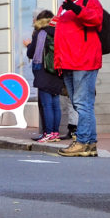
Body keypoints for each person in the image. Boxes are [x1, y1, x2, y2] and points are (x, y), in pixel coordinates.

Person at [53, 0, 104, 158]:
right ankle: (90, 143)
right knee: (81, 104)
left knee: (82, 104)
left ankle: (82, 141)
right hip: (68, 63)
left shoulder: (90, 2)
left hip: (83, 61)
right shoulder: (65, 7)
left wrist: (75, 8)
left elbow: (95, 19)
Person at [27, 10, 65, 142]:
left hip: (43, 71)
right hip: (57, 71)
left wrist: (28, 46)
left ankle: (48, 133)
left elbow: (31, 53)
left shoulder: (40, 33)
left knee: (47, 105)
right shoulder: (59, 32)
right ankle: (55, 133)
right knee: (55, 104)